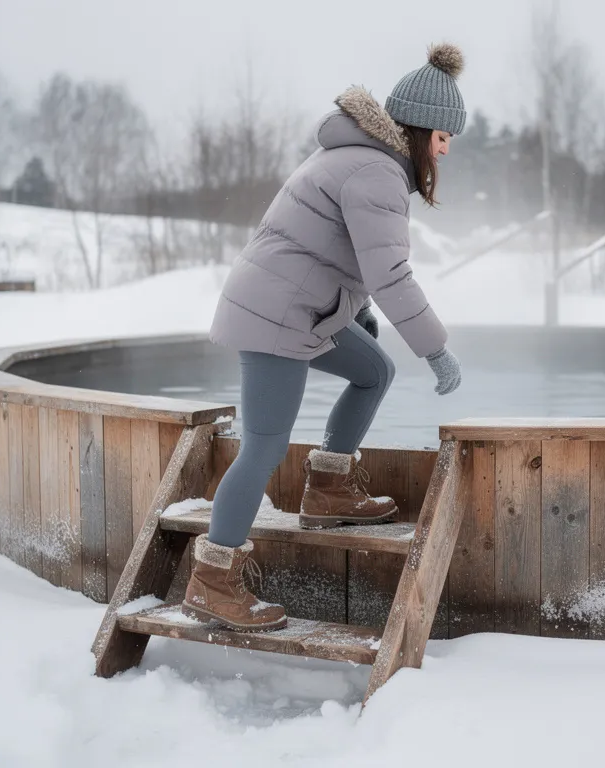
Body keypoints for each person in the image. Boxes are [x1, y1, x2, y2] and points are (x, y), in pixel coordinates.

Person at [180, 43, 468, 632]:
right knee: (263, 446)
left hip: (299, 307)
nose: (446, 150)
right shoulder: (375, 172)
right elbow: (390, 272)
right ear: (417, 130)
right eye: (443, 137)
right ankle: (213, 581)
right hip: (277, 317)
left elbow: (327, 247)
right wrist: (435, 348)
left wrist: (352, 313)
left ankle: (329, 488)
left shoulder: (359, 159)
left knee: (374, 371)